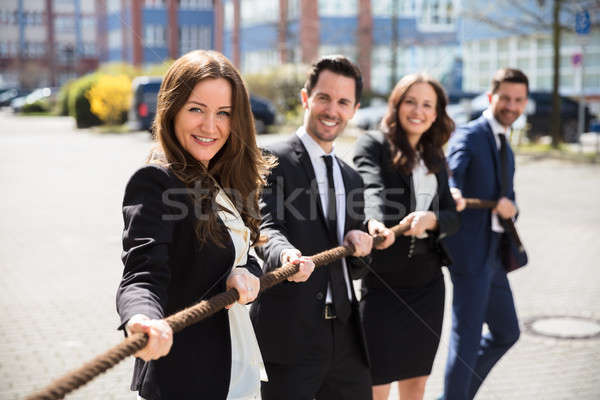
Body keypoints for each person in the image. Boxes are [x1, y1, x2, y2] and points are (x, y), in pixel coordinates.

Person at [116, 50, 274, 400]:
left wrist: (244, 272)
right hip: (185, 379)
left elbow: (241, 255)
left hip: (235, 369)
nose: (210, 126)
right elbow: (142, 274)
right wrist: (142, 319)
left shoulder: (224, 180)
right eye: (196, 109)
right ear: (171, 111)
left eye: (223, 114)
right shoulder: (156, 182)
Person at [250, 55, 374, 400]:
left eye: (343, 102)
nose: (332, 109)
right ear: (306, 98)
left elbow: (358, 268)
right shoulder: (271, 158)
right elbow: (264, 226)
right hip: (291, 334)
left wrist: (362, 248)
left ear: (354, 109)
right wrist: (284, 255)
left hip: (347, 334)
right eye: (324, 98)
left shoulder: (351, 178)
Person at [353, 74, 460, 400]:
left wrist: (433, 220)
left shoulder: (436, 156)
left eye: (427, 104)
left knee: (416, 384)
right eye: (411, 101)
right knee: (376, 385)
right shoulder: (373, 144)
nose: (418, 110)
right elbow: (371, 187)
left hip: (428, 286)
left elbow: (453, 218)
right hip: (383, 285)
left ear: (437, 112)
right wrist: (374, 220)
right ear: (397, 104)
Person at [440, 68, 528, 400]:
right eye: (505, 98)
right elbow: (453, 176)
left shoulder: (505, 143)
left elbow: (510, 198)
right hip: (470, 253)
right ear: (491, 97)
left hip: (493, 253)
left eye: (518, 100)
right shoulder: (470, 134)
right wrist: (454, 191)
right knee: (468, 339)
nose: (511, 105)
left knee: (507, 332)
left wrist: (512, 208)